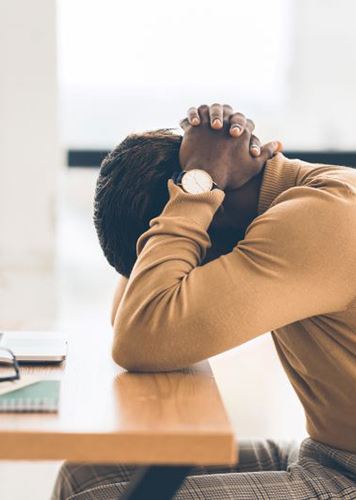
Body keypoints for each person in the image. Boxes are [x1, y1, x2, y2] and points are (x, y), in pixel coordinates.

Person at [52, 104, 356, 499]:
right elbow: (127, 317)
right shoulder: (280, 203)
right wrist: (197, 180)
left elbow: (140, 336)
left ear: (213, 208)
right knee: (85, 474)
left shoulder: (314, 219)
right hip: (329, 454)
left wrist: (198, 184)